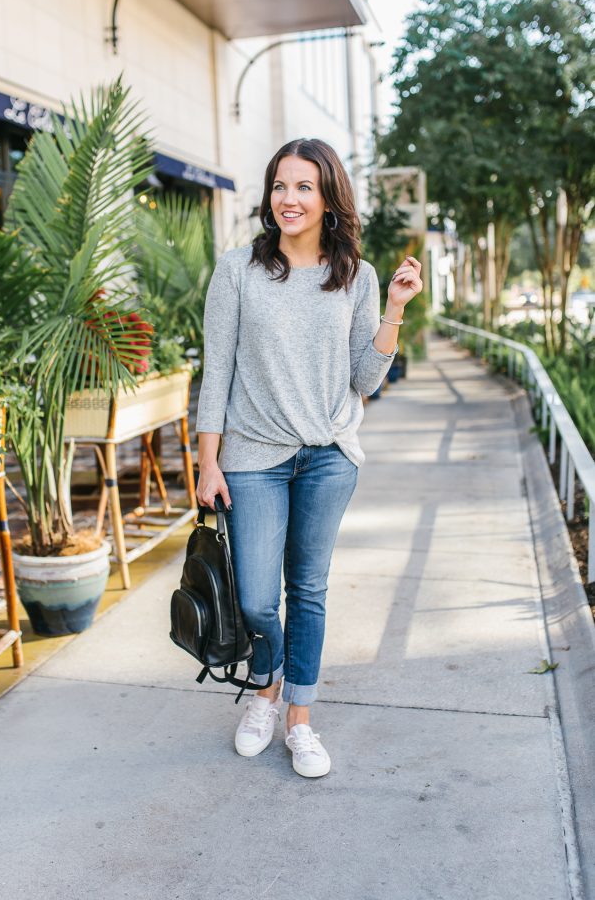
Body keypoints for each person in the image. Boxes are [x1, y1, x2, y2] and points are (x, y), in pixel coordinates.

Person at [195, 138, 422, 778]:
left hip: (328, 456)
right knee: (260, 599)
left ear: (327, 198)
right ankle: (265, 689)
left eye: (303, 187)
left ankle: (298, 717)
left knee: (309, 590)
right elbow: (217, 373)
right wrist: (208, 461)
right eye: (279, 186)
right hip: (254, 456)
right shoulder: (237, 269)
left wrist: (395, 312)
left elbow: (365, 379)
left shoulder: (357, 274)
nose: (288, 199)